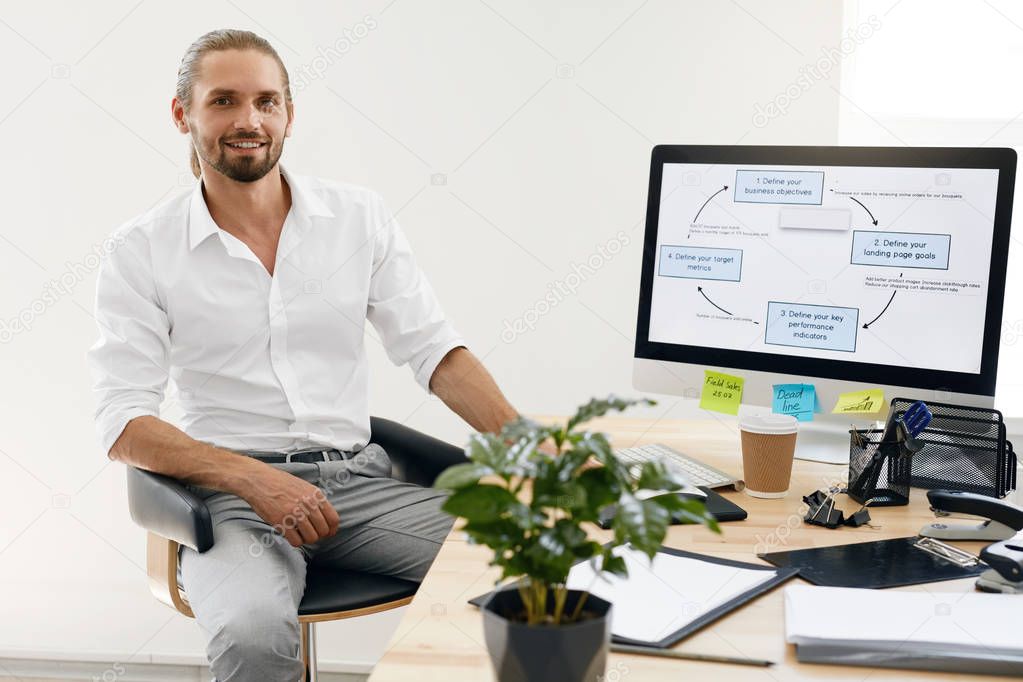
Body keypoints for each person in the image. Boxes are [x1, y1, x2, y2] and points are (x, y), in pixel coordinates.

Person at [87, 28, 522, 682]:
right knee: (252, 634)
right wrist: (249, 478)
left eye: (266, 102)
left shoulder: (357, 219)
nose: (248, 120)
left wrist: (528, 444)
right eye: (224, 101)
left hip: (359, 486)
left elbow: (434, 351)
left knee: (533, 565)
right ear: (183, 114)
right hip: (231, 500)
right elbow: (121, 420)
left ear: (289, 113)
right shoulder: (142, 248)